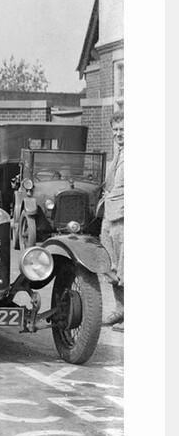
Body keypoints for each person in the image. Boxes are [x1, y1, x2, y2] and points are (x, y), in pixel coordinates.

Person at [100, 109, 124, 332]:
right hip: (110, 215)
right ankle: (120, 309)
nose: (119, 133)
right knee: (112, 264)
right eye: (115, 130)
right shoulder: (118, 152)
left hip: (125, 216)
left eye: (123, 129)